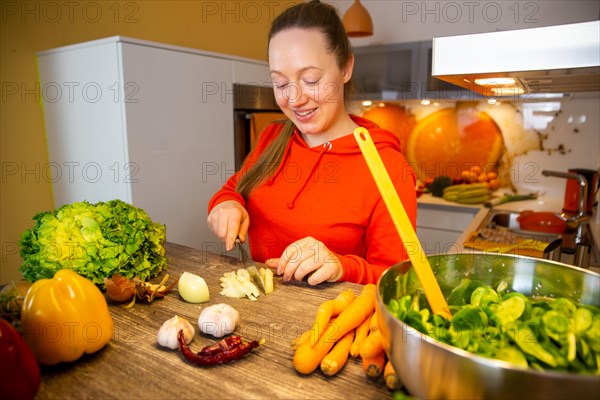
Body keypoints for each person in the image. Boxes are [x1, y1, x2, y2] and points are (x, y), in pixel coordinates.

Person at [207, 0, 417, 285]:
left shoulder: (389, 168)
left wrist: (342, 266)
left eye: (310, 79)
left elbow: (397, 280)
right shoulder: (273, 136)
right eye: (280, 84)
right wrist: (226, 205)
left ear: (346, 67)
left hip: (329, 324)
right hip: (257, 312)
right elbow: (232, 190)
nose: (294, 99)